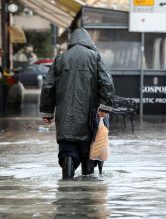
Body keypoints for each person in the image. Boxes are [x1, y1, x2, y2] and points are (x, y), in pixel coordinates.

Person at [39, 28, 115, 179]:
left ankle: (67, 173)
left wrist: (47, 112)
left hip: (65, 117)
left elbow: (48, 86)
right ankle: (87, 184)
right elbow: (106, 82)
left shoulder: (60, 59)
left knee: (67, 149)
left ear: (71, 42)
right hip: (88, 116)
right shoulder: (95, 57)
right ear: (88, 41)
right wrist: (105, 106)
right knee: (88, 152)